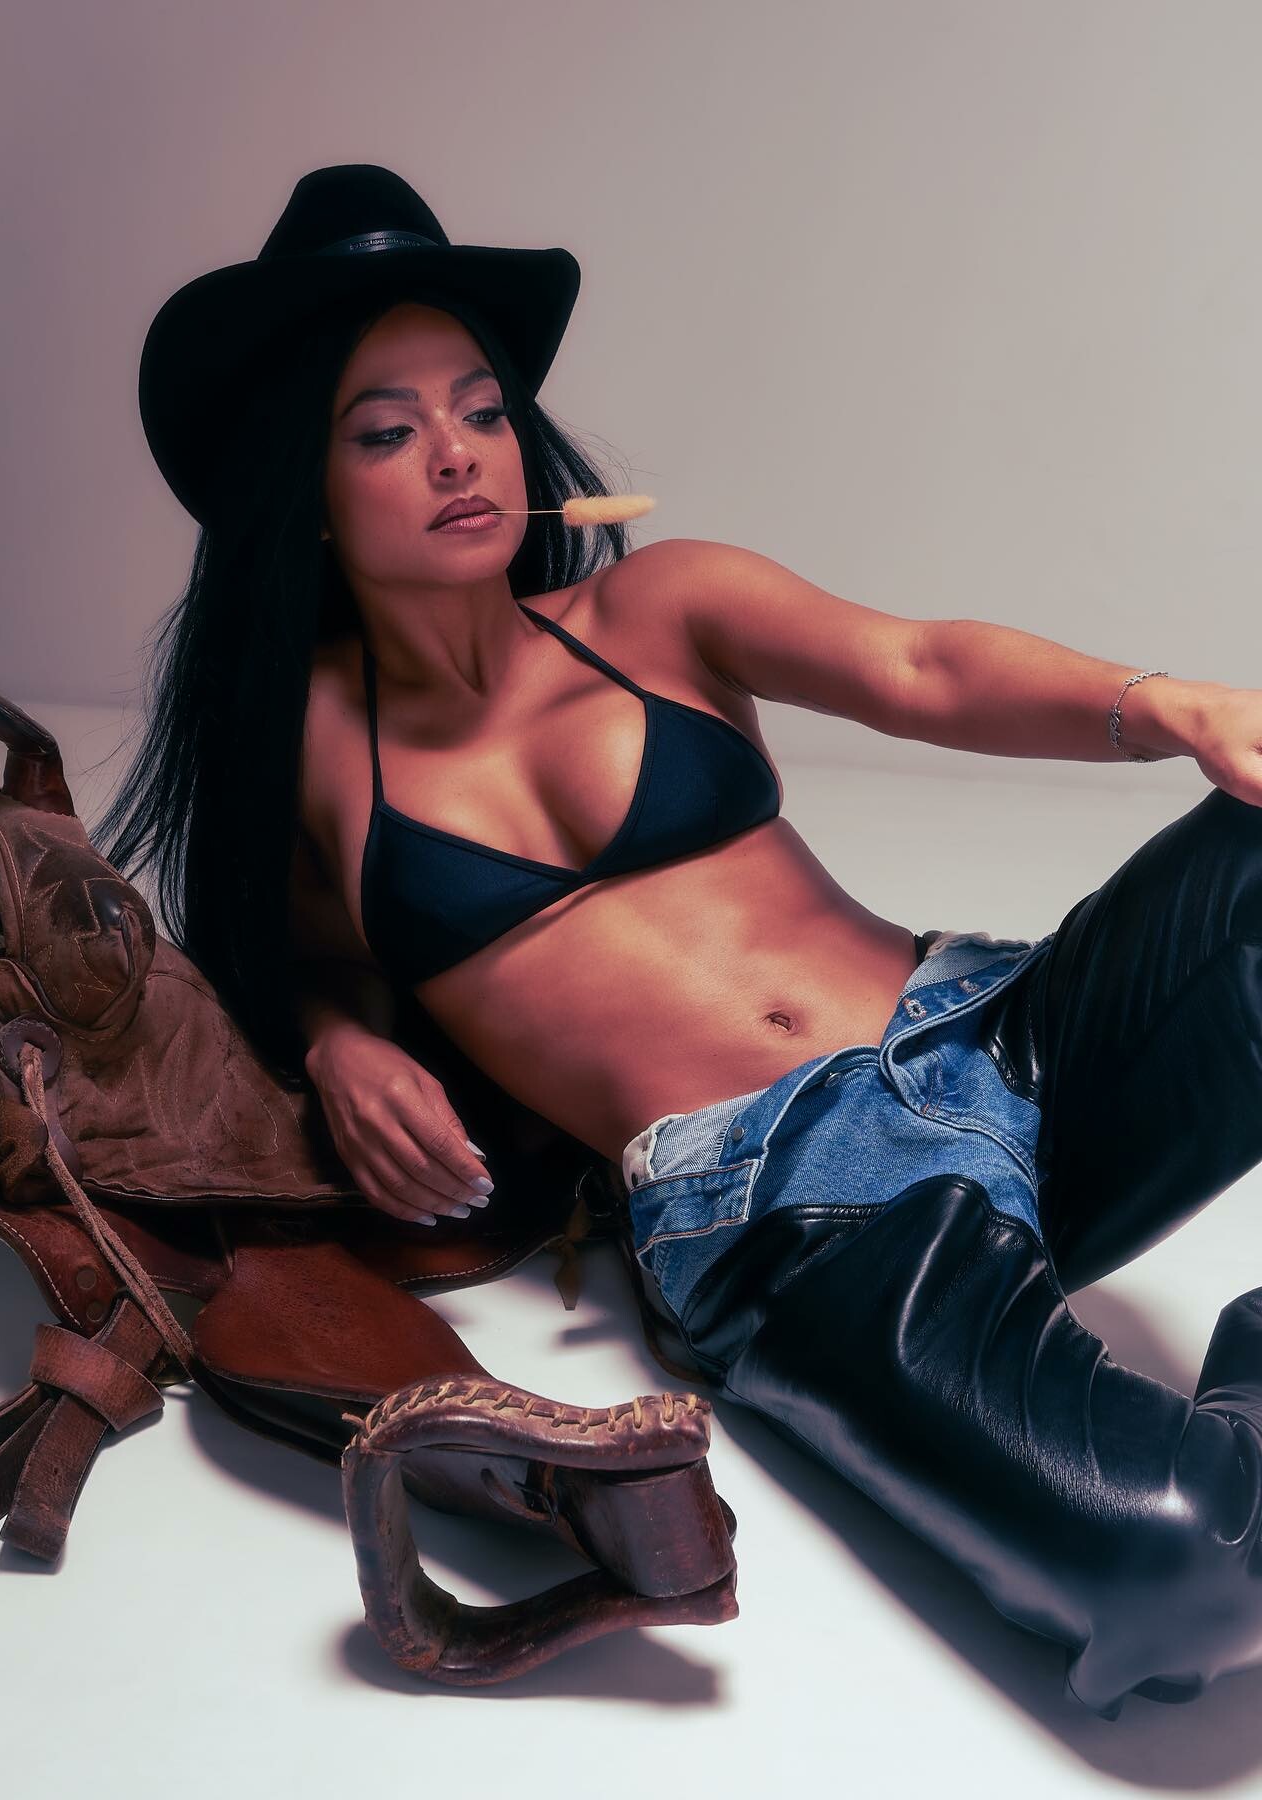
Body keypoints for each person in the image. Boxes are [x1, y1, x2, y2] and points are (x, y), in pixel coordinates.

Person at [108, 162, 1262, 1718]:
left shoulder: (659, 606)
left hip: (1006, 1034)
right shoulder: (311, 743)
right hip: (793, 1213)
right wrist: (337, 1043)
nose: (456, 453)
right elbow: (282, 948)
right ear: (301, 484)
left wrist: (1170, 708)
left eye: (481, 409)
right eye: (383, 431)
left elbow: (919, 667)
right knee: (1183, 1573)